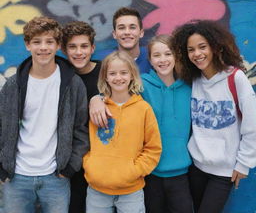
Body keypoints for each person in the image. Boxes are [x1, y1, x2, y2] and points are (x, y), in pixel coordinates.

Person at [0, 16, 89, 213]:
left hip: (55, 178)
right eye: (37, 42)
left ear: (58, 46)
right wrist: (2, 168)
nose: (43, 48)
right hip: (16, 178)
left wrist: (69, 168)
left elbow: (81, 128)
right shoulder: (13, 85)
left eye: (49, 42)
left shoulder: (73, 84)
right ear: (27, 45)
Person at [172, 19, 256, 213]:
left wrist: (244, 164)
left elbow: (252, 125)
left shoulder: (236, 78)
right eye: (191, 49)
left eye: (202, 47)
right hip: (196, 167)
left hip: (224, 171)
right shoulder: (193, 80)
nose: (197, 54)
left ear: (216, 47)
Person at [83, 51, 162, 213]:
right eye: (112, 73)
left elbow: (153, 148)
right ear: (105, 77)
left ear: (132, 75)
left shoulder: (143, 109)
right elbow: (85, 140)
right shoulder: (97, 108)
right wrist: (91, 165)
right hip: (97, 189)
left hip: (131, 191)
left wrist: (134, 171)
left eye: (123, 72)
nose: (118, 78)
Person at [141, 35, 193, 213]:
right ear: (150, 59)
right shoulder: (141, 86)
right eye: (157, 55)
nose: (162, 60)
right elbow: (115, 97)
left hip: (181, 174)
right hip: (150, 173)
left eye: (168, 54)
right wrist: (97, 99)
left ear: (176, 56)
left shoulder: (189, 87)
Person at [89, 7, 151, 127]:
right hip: (113, 129)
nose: (127, 32)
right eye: (121, 28)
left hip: (147, 127)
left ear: (141, 32)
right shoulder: (102, 61)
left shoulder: (154, 59)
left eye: (132, 27)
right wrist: (94, 99)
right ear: (114, 34)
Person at [61, 21, 100, 213]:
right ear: (64, 49)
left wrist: (99, 97)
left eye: (84, 46)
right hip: (72, 163)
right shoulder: (59, 77)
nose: (79, 52)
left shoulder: (107, 73)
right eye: (72, 47)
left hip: (102, 162)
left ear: (92, 48)